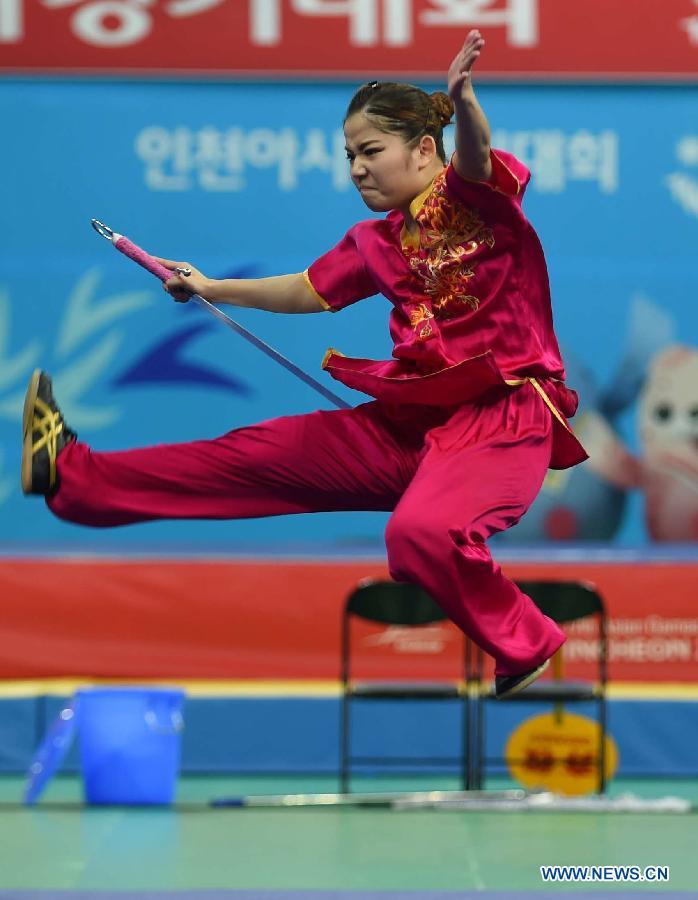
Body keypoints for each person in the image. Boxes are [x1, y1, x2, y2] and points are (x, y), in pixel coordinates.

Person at [22, 30, 587, 698]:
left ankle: (526, 639)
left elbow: (477, 151)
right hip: (413, 424)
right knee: (255, 455)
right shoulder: (376, 240)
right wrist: (210, 287)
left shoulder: (476, 195)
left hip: (502, 419)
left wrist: (463, 100)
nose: (357, 169)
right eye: (350, 155)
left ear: (424, 149)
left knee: (419, 534)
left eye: (372, 151)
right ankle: (73, 477)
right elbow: (308, 290)